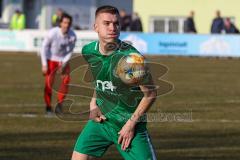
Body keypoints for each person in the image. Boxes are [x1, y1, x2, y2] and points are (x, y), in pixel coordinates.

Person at [72, 5, 157, 160]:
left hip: (129, 126)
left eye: (116, 23)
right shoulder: (88, 51)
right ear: (96, 27)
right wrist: (93, 103)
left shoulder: (131, 59)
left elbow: (150, 94)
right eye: (107, 23)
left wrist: (130, 125)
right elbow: (99, 80)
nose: (113, 27)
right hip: (102, 122)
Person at [41, 13, 76, 114]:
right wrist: (44, 64)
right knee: (48, 84)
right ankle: (48, 106)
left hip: (63, 60)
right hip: (50, 59)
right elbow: (44, 47)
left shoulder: (72, 36)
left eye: (68, 23)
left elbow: (70, 51)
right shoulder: (52, 33)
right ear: (60, 23)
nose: (66, 25)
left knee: (65, 82)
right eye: (64, 22)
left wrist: (64, 63)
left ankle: (59, 104)